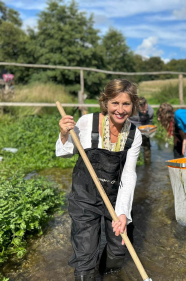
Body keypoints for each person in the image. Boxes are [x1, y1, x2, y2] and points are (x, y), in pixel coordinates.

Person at [56, 79, 142, 280]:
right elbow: (66, 153)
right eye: (115, 103)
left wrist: (122, 213)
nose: (120, 110)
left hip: (114, 198)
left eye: (126, 104)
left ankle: (107, 274)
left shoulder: (134, 135)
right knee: (85, 254)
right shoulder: (87, 122)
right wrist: (63, 134)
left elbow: (129, 174)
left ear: (133, 105)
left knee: (118, 250)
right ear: (106, 103)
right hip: (84, 197)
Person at [129, 97, 154, 164]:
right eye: (142, 111)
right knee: (131, 148)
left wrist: (149, 129)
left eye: (145, 110)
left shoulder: (151, 111)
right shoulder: (131, 110)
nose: (144, 112)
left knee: (147, 147)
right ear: (137, 107)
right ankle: (132, 163)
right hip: (132, 129)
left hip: (144, 130)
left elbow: (150, 122)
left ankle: (147, 164)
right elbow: (127, 120)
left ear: (147, 105)